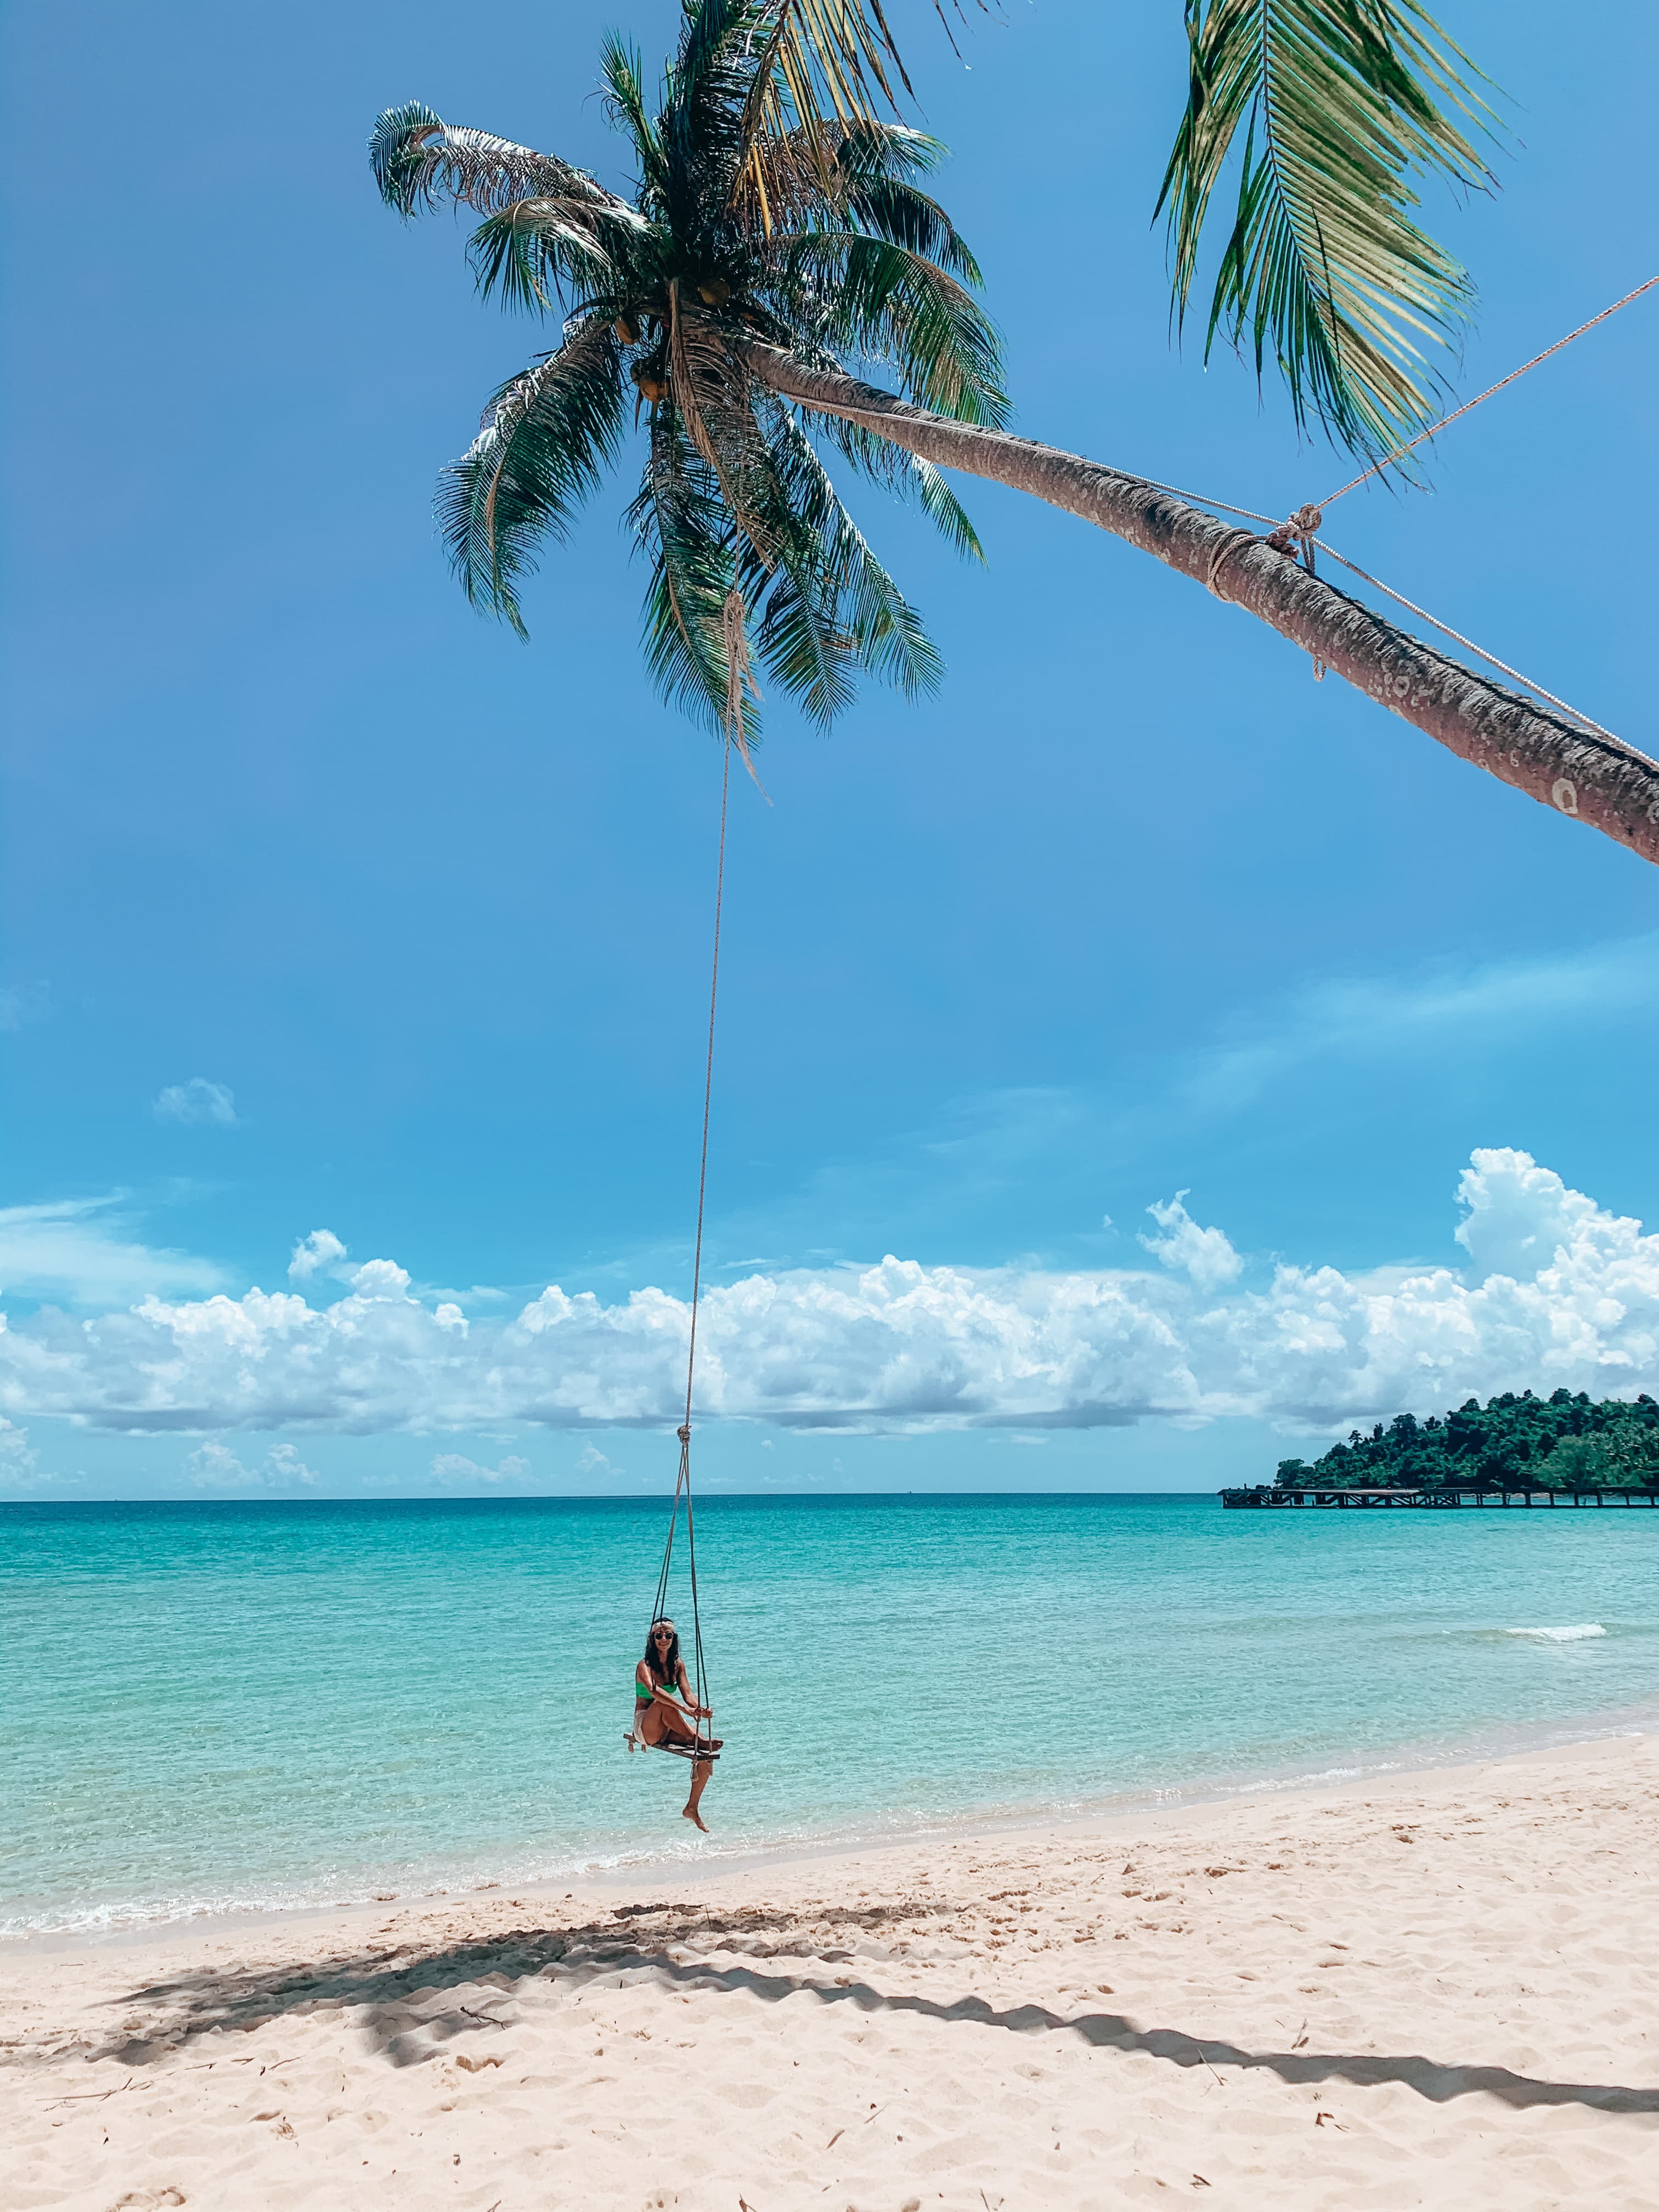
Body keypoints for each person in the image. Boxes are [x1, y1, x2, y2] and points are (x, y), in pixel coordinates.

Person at [634, 1618, 722, 1831]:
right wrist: (685, 1710)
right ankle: (696, 1738)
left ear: (674, 1639)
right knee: (663, 1703)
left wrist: (699, 1708)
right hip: (646, 1726)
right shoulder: (644, 1666)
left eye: (668, 1635)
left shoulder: (677, 1664)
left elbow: (688, 1694)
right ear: (652, 1639)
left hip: (668, 1724)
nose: (664, 1639)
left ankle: (692, 1807)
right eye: (659, 1635)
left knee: (705, 1755)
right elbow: (655, 1691)